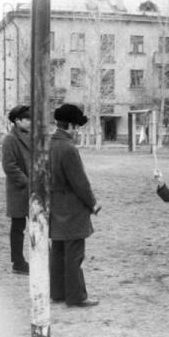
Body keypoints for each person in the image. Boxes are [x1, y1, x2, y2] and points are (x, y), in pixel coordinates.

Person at [49, 104, 101, 307]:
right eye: (76, 126)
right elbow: (80, 182)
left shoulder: (49, 144)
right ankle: (77, 296)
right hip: (72, 208)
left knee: (58, 251)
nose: (77, 130)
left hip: (55, 205)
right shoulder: (68, 148)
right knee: (74, 255)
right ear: (69, 125)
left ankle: (58, 292)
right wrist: (93, 203)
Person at [1, 105, 31, 275]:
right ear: (17, 121)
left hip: (32, 190)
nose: (30, 122)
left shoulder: (31, 137)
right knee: (18, 227)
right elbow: (9, 166)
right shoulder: (10, 139)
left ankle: (43, 257)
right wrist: (27, 182)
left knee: (39, 225)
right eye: (26, 119)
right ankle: (18, 262)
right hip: (19, 191)